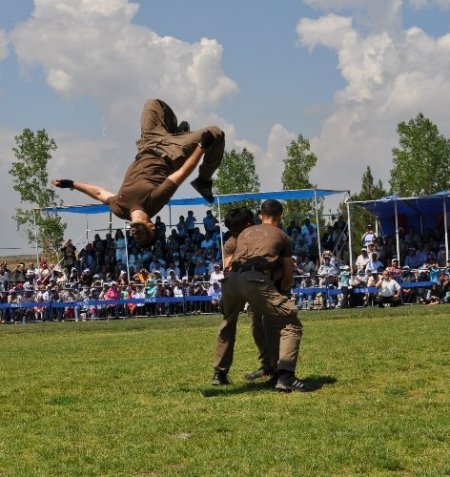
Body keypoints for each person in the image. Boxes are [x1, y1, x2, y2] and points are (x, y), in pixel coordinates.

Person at [52, 98, 225, 248]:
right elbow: (181, 173)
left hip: (149, 142)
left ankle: (175, 132)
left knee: (153, 103)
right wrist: (202, 147)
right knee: (216, 133)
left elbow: (99, 193)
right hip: (172, 152)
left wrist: (72, 184)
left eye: (135, 237)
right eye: (142, 235)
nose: (136, 234)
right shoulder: (153, 203)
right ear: (151, 227)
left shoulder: (120, 209)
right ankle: (203, 180)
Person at [213, 199, 308, 392]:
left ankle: (219, 373)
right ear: (280, 216)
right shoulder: (282, 235)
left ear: (260, 216)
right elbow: (288, 273)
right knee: (290, 322)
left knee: (228, 323)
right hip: (254, 279)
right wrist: (283, 291)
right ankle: (285, 376)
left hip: (230, 280)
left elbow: (229, 261)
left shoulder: (242, 234)